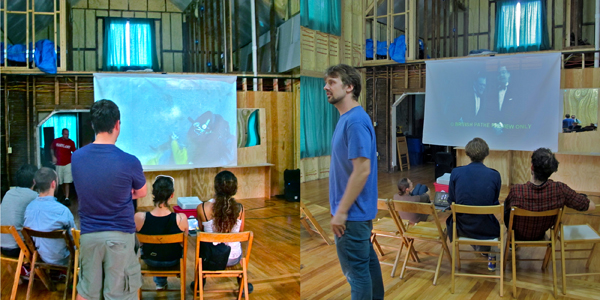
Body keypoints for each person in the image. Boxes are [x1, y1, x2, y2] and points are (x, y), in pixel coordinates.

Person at [72, 99, 147, 300]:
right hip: (120, 235)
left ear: (93, 125)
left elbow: (88, 186)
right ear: (117, 125)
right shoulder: (130, 161)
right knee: (120, 294)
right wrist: (123, 192)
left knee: (86, 292)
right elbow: (141, 192)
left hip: (88, 235)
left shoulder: (77, 157)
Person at [325, 64, 383, 300]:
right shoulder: (349, 118)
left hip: (352, 217)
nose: (326, 87)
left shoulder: (355, 121)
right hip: (356, 215)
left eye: (332, 82)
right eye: (326, 82)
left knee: (357, 275)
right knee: (366, 266)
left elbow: (362, 171)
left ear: (349, 87)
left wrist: (341, 212)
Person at [504, 148, 595, 241]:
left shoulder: (517, 190)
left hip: (517, 235)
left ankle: (511, 241)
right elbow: (591, 206)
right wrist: (584, 197)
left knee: (506, 208)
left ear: (532, 167)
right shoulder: (560, 189)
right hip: (540, 235)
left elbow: (506, 216)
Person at [445, 137, 501, 271]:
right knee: (490, 220)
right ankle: (486, 250)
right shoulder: (494, 175)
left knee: (461, 217)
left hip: (462, 227)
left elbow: (451, 200)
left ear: (468, 153)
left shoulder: (456, 172)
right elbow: (494, 202)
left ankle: (479, 246)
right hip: (487, 227)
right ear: (486, 154)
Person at [196, 171, 250, 292]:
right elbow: (241, 232)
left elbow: (202, 231)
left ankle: (200, 283)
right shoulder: (240, 208)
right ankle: (242, 283)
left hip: (210, 259)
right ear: (234, 188)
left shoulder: (202, 208)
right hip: (234, 258)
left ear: (216, 187)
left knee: (201, 246)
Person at [135, 175, 188, 290]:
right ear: (172, 195)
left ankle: (160, 283)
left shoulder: (139, 217)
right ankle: (161, 282)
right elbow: (184, 244)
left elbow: (136, 243)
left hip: (150, 260)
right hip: (173, 260)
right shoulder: (182, 218)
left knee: (157, 250)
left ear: (153, 193)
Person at [23, 167, 76, 265]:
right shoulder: (63, 211)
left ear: (35, 182)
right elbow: (74, 239)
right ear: (53, 184)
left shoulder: (29, 208)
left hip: (39, 258)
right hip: (63, 259)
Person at [0, 164, 38, 257]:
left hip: (2, 246)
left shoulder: (9, 193)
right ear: (34, 181)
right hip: (19, 248)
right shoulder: (34, 196)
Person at [51, 128, 76, 206]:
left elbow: (75, 151)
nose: (67, 136)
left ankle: (67, 198)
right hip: (58, 164)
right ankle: (64, 195)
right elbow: (51, 148)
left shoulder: (71, 142)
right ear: (62, 134)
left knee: (67, 181)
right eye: (65, 134)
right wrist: (53, 156)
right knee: (60, 182)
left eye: (68, 134)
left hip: (68, 163)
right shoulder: (56, 141)